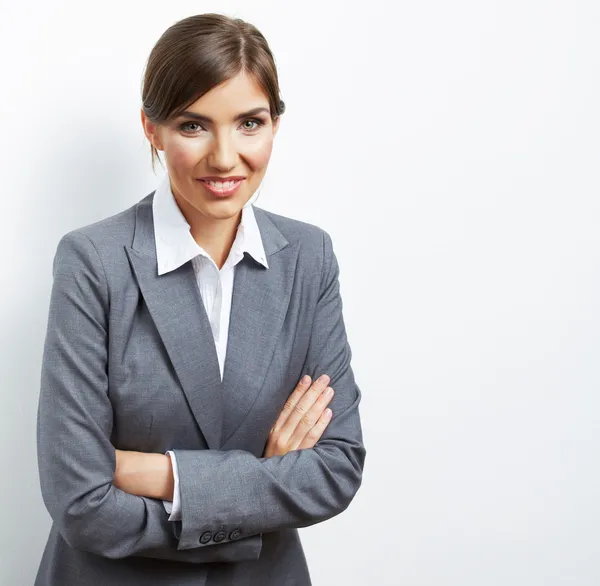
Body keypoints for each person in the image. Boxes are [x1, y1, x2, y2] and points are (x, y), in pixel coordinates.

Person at [34, 12, 366, 586]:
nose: (224, 157)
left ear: (275, 125)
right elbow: (81, 501)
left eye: (249, 123)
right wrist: (263, 484)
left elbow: (335, 469)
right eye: (193, 126)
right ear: (151, 129)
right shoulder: (93, 261)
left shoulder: (308, 258)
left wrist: (163, 476)